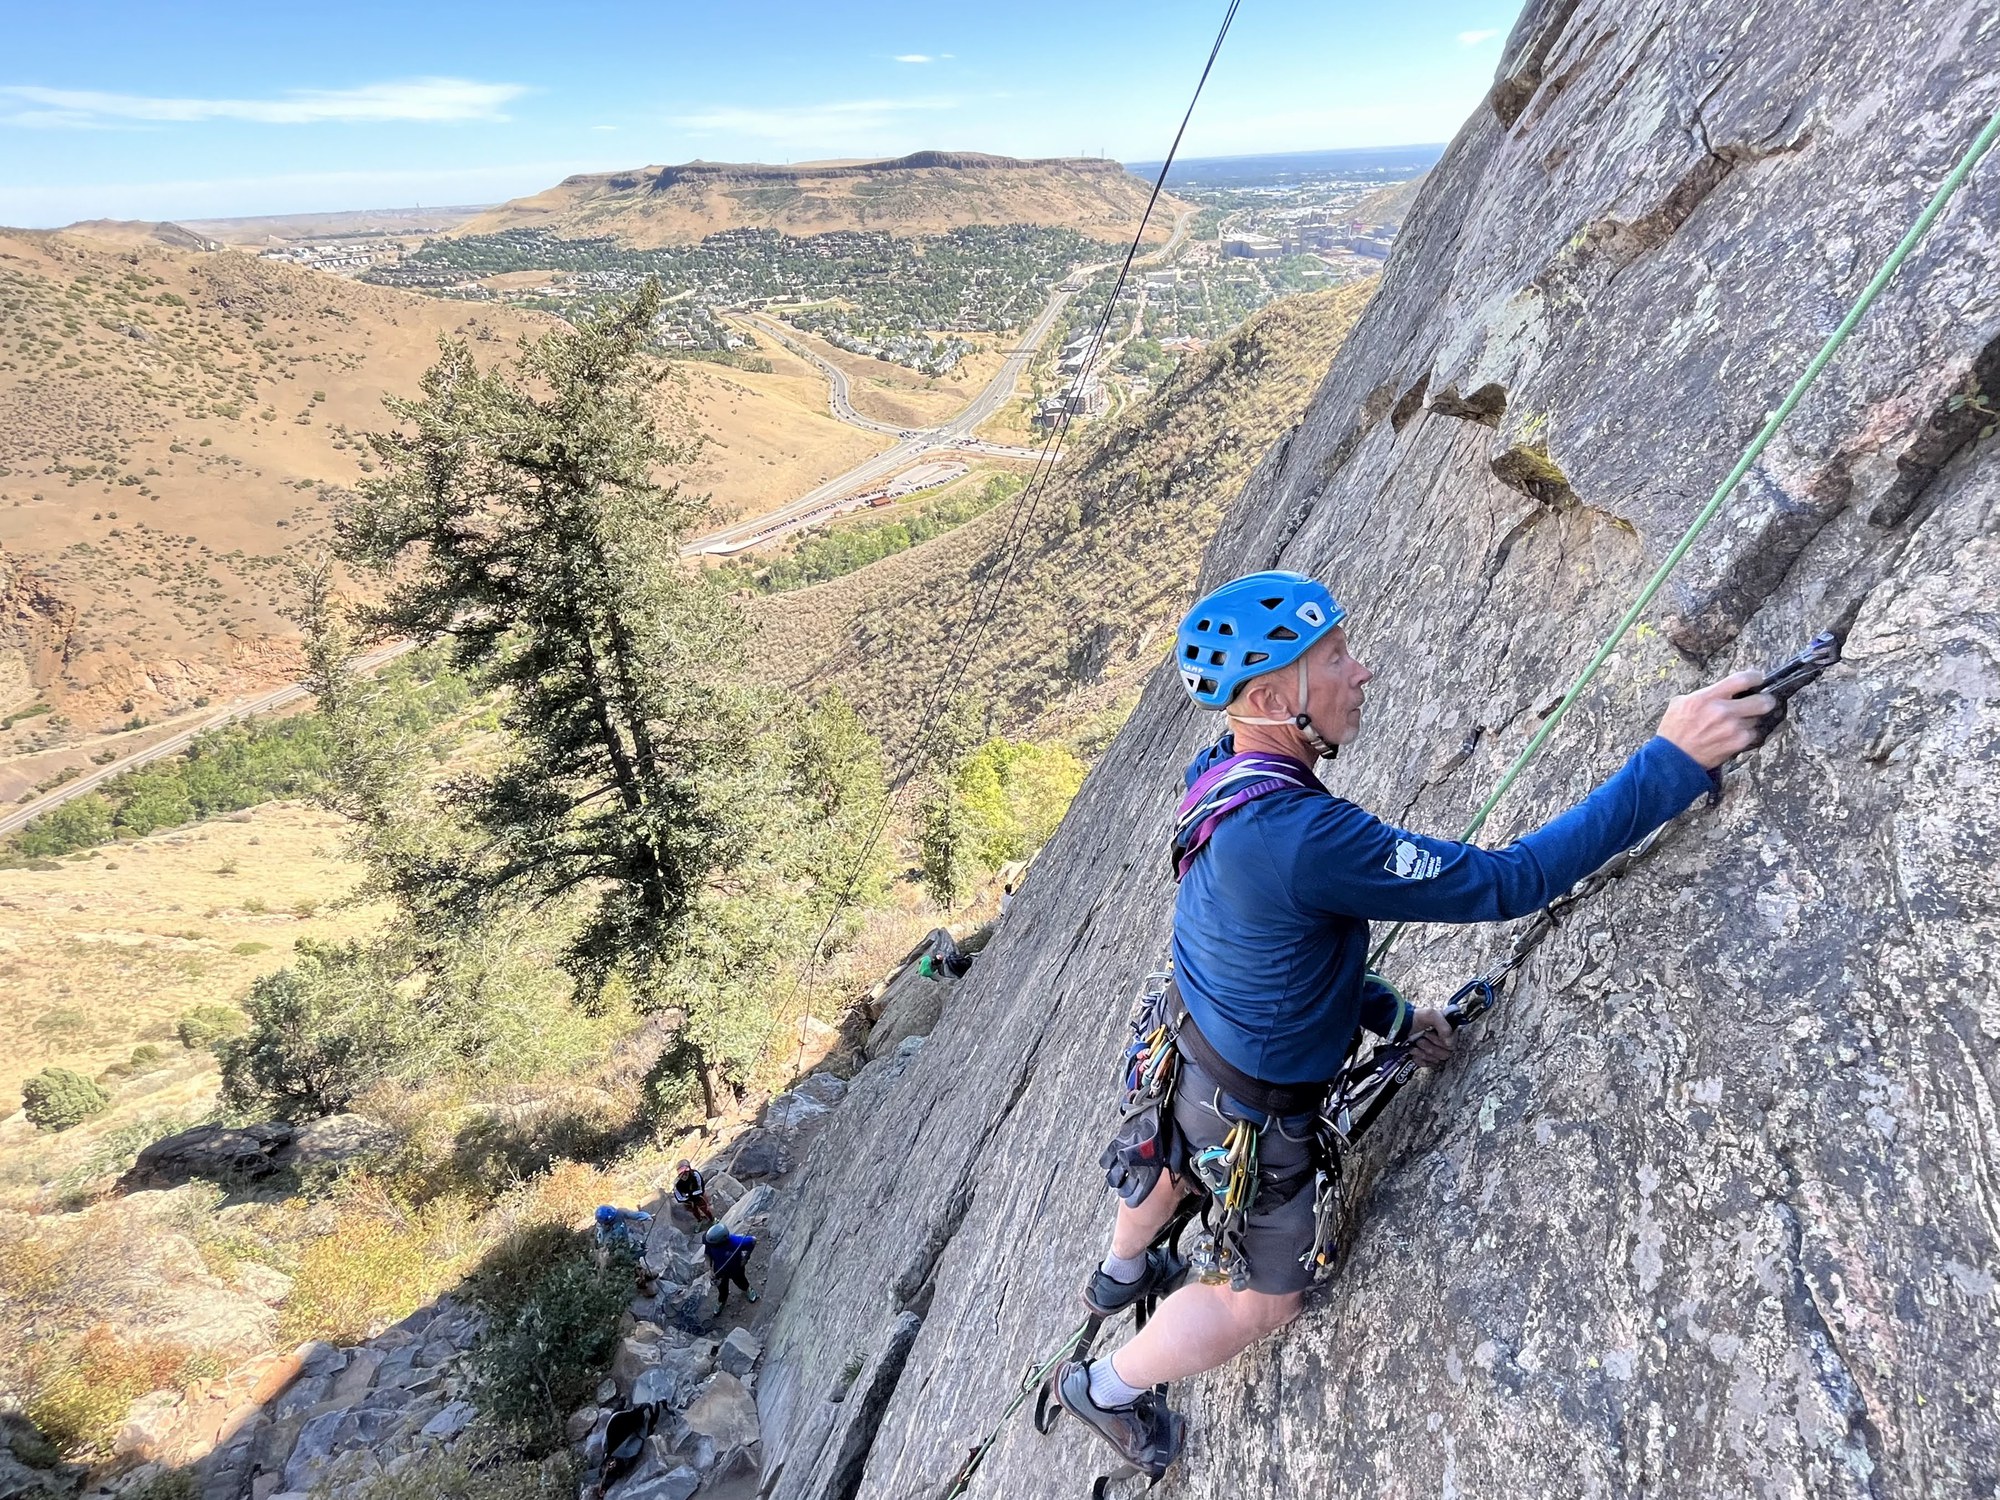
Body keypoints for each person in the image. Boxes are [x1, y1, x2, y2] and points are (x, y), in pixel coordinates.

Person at [1055, 570, 1775, 1476]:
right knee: (1262, 1301)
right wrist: (1672, 761)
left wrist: (1395, 1016)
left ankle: (1122, 1269)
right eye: (1335, 659)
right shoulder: (1303, 834)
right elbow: (1508, 882)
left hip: (1194, 1051)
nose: (1363, 671)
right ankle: (1110, 1389)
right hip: (1252, 1104)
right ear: (1275, 698)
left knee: (1172, 1155)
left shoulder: (1221, 777)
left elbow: (1293, 946)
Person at [703, 1221, 760, 1312]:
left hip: (736, 1268)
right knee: (722, 1289)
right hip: (719, 1271)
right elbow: (707, 1255)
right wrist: (709, 1269)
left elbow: (753, 1240)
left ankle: (747, 1289)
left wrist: (746, 1257)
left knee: (741, 1281)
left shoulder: (736, 1242)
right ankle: (722, 1300)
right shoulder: (711, 1242)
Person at [672, 1159, 713, 1225]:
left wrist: (693, 1194)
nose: (684, 1175)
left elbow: (701, 1188)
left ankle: (712, 1219)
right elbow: (678, 1197)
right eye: (681, 1173)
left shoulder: (695, 1175)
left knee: (704, 1207)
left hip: (697, 1195)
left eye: (686, 1172)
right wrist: (688, 1198)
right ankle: (699, 1220)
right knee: (694, 1211)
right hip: (687, 1199)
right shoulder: (677, 1183)